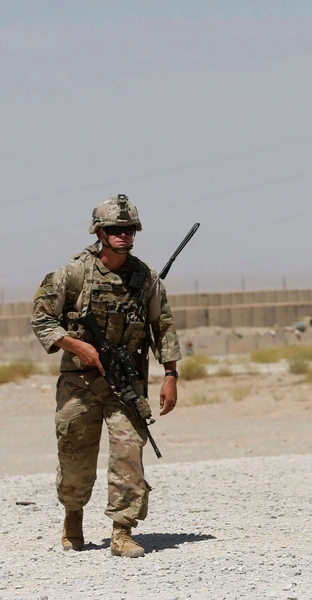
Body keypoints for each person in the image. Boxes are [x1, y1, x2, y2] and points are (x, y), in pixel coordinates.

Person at [31, 195, 182, 558]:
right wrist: (77, 346)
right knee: (75, 454)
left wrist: (171, 375)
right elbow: (41, 319)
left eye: (129, 229)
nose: (123, 235)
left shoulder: (146, 279)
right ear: (99, 232)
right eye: (115, 229)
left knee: (129, 453)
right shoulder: (73, 274)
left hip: (126, 383)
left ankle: (122, 530)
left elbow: (163, 327)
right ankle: (73, 516)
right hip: (78, 384)